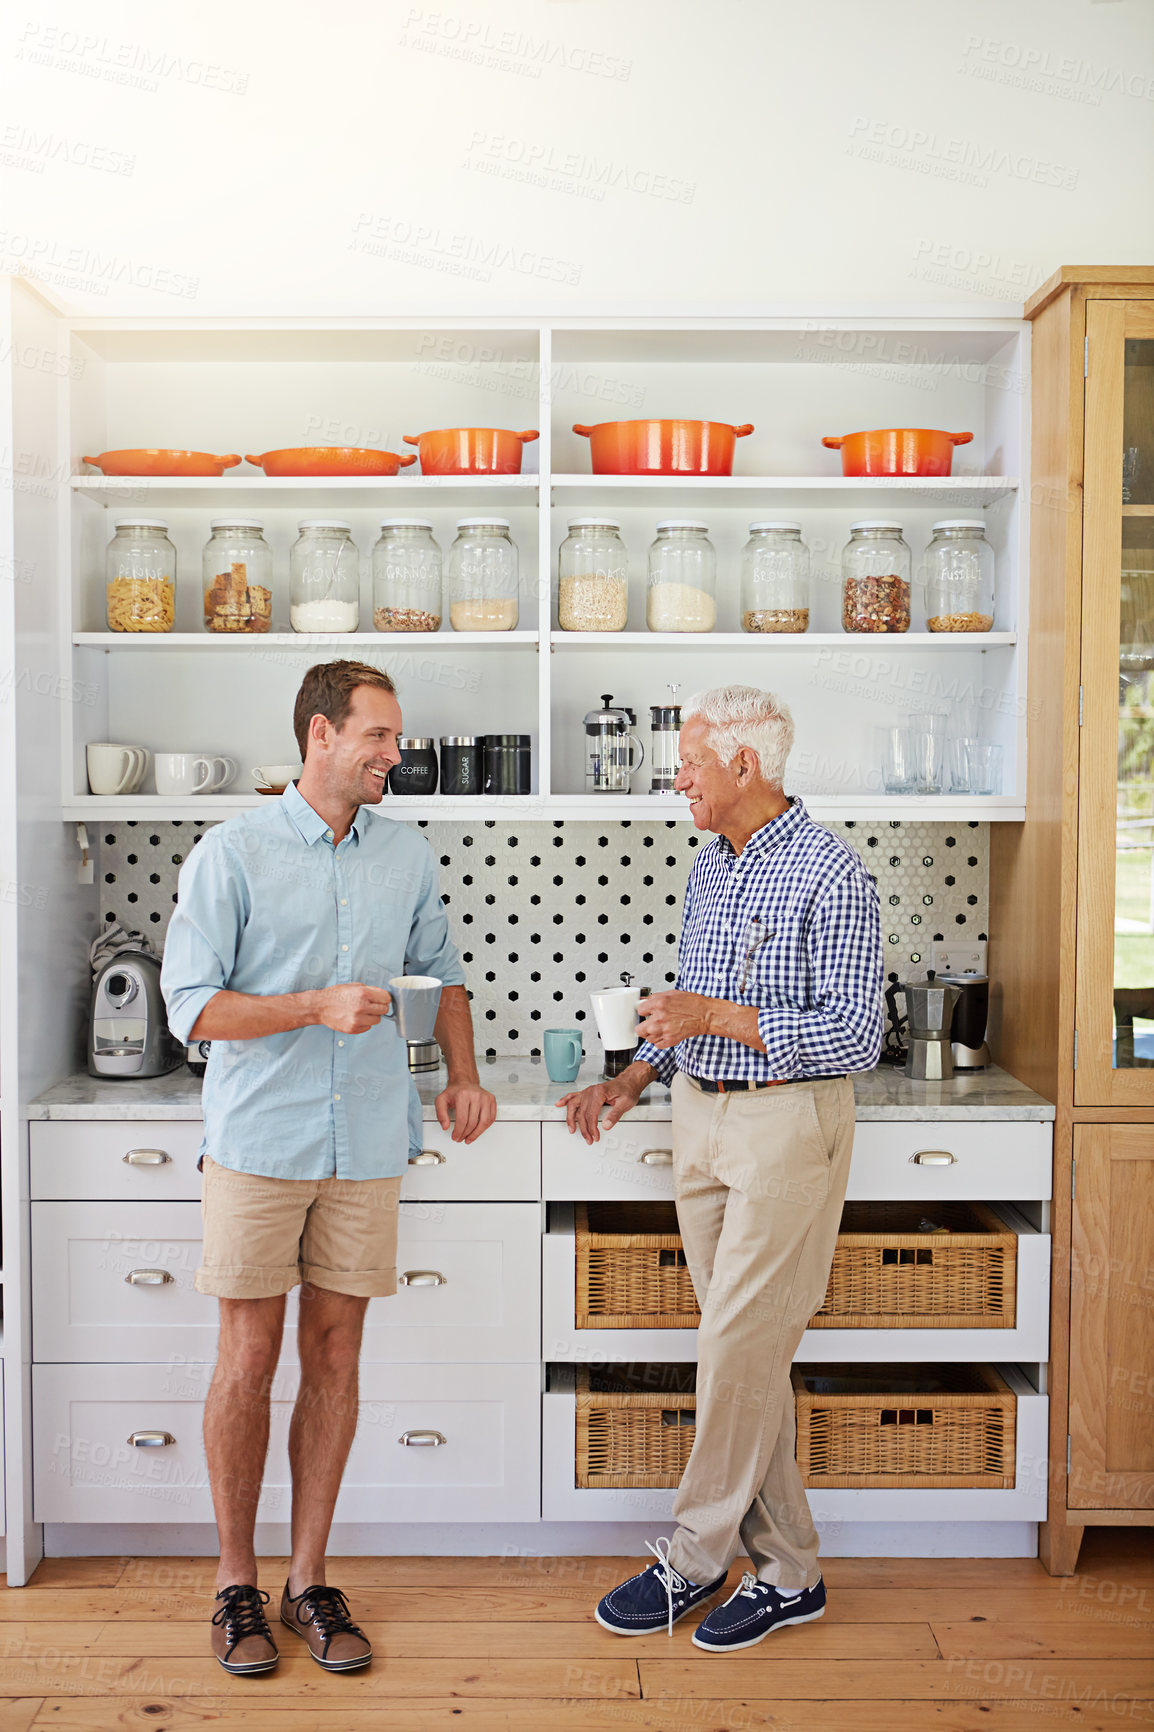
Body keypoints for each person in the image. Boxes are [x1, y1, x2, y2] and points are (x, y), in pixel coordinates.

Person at [162, 659, 496, 1677]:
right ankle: (235, 1584)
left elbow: (439, 974)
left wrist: (463, 1078)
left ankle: (308, 1579)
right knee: (247, 1360)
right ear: (321, 735)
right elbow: (191, 1007)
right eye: (379, 737)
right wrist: (311, 1005)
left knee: (338, 1357)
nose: (397, 755)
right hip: (260, 1143)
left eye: (395, 739)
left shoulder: (404, 853)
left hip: (367, 1138)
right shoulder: (234, 852)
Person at [559, 684, 882, 1653]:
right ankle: (789, 1571)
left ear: (746, 766)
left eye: (690, 761)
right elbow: (692, 999)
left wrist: (714, 1020)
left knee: (732, 1351)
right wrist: (630, 1076)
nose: (677, 777)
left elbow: (856, 1031)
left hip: (786, 1125)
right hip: (698, 1118)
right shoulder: (710, 865)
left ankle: (694, 1556)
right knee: (748, 1357)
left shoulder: (833, 874)